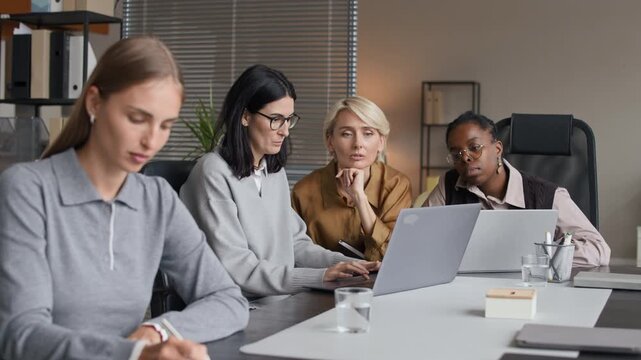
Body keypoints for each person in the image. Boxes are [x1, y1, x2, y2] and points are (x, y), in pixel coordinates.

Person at [0, 37, 249, 360]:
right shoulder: (27, 190)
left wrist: (159, 331)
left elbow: (228, 300)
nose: (151, 141)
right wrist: (133, 353)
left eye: (165, 125)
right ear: (94, 103)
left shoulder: (156, 199)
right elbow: (22, 335)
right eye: (137, 118)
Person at [180, 65, 380, 302]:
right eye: (276, 119)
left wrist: (354, 265)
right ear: (245, 116)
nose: (285, 131)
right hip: (237, 305)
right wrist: (320, 277)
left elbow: (295, 244)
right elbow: (238, 267)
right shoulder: (212, 172)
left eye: (288, 120)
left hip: (280, 300)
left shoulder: (273, 171)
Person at [423, 111, 610, 267]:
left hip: (530, 289)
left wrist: (534, 255)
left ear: (497, 149)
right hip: (465, 289)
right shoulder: (448, 185)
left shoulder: (548, 195)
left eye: (474, 147)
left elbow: (598, 249)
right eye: (457, 154)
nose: (465, 158)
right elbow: (419, 238)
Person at [291, 96, 412, 261]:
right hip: (323, 281)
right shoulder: (303, 191)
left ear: (381, 142)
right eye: (346, 134)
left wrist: (360, 199)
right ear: (330, 141)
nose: (358, 144)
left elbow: (396, 257)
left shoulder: (397, 184)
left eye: (368, 133)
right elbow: (295, 254)